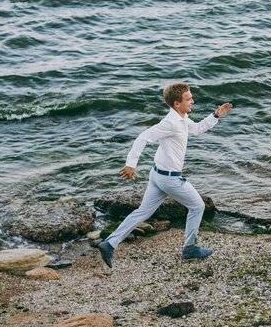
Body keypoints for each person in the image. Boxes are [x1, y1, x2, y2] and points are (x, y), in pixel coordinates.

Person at [97, 83, 232, 268]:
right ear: (177, 103)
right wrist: (131, 164)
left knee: (143, 212)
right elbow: (143, 137)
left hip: (157, 175)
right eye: (188, 99)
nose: (193, 101)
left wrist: (215, 116)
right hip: (169, 178)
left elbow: (197, 129)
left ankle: (109, 243)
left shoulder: (182, 119)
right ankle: (190, 248)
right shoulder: (170, 123)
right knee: (198, 206)